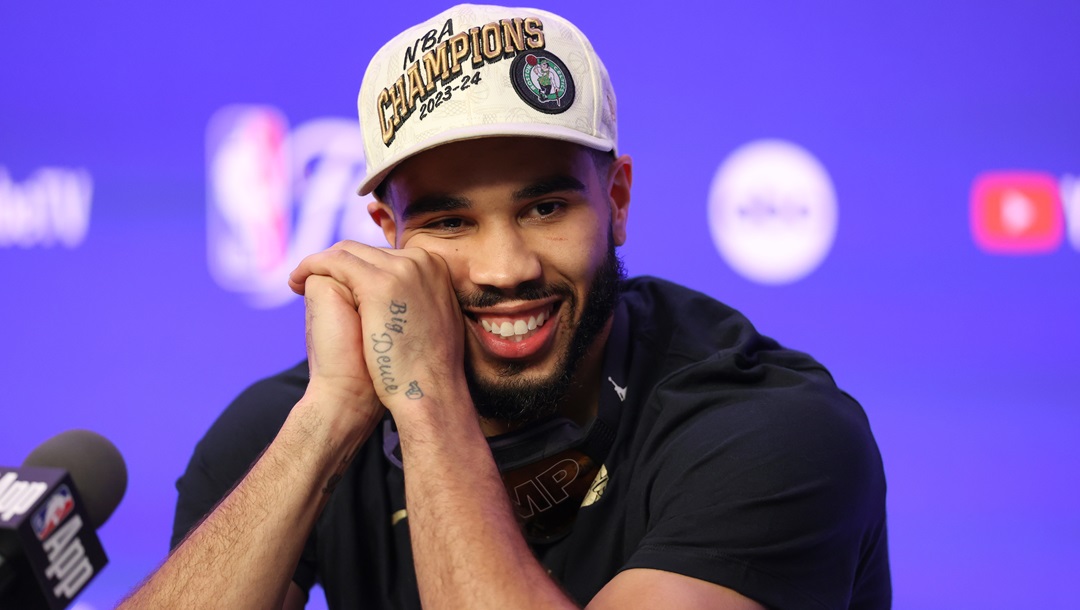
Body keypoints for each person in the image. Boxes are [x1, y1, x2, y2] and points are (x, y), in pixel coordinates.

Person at [121, 4, 890, 609]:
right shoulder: (295, 423)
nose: (505, 268)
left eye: (546, 208)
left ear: (617, 201)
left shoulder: (771, 431)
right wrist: (327, 422)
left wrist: (428, 404)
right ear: (388, 234)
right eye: (449, 222)